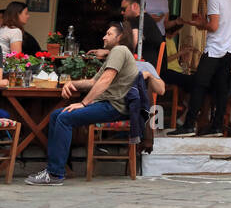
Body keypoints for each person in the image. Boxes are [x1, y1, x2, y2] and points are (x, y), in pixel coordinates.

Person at [27, 22, 144, 185]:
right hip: (108, 104)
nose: (104, 36)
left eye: (109, 34)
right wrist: (73, 83)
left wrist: (83, 103)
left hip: (114, 106)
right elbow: (93, 81)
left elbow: (105, 80)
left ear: (120, 37)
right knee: (56, 115)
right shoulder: (115, 53)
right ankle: (54, 168)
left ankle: (55, 174)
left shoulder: (119, 50)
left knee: (64, 118)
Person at [167, 0, 231, 137]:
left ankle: (189, 124)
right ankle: (217, 127)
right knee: (221, 89)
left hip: (214, 50)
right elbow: (219, 25)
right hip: (228, 49)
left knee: (198, 85)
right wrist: (200, 23)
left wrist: (202, 23)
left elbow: (213, 26)